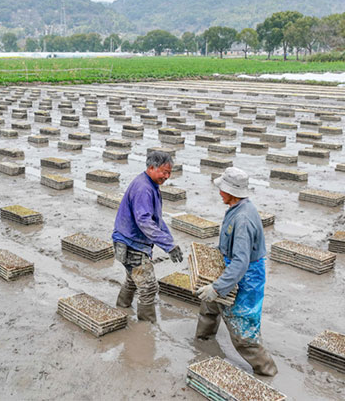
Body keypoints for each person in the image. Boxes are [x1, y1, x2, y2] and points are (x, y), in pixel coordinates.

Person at [195, 167, 277, 376]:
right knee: (209, 305)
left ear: (231, 191)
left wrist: (218, 287)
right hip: (230, 265)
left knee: (242, 328)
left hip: (246, 276)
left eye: (222, 189)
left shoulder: (243, 219)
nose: (219, 192)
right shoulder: (236, 208)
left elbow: (241, 263)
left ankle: (266, 370)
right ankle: (203, 341)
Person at [112, 151, 183, 322]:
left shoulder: (151, 185)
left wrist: (168, 240)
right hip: (131, 244)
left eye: (169, 172)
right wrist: (167, 245)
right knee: (148, 287)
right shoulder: (144, 188)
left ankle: (122, 307)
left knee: (132, 278)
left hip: (130, 241)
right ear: (151, 167)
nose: (166, 176)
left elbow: (156, 219)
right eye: (163, 172)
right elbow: (144, 221)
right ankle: (146, 327)